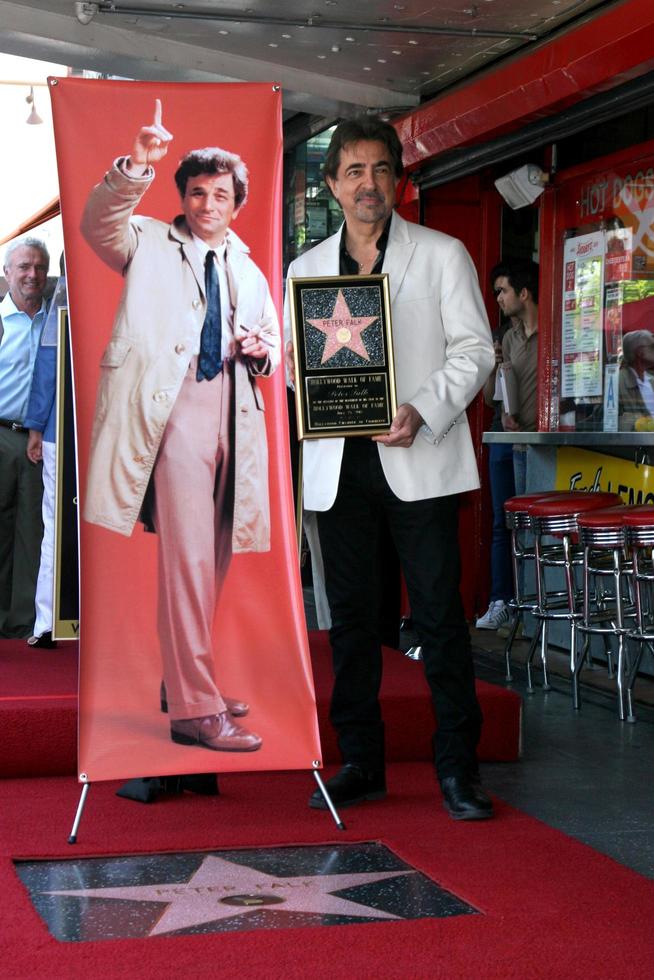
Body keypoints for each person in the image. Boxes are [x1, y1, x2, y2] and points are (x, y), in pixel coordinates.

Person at [284, 118, 495, 820]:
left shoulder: (442, 254)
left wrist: (423, 407)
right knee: (350, 624)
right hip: (338, 467)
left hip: (419, 457)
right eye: (353, 171)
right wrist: (295, 376)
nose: (367, 184)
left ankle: (459, 770)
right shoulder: (305, 271)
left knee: (438, 617)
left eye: (379, 170)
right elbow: (294, 368)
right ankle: (361, 764)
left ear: (397, 180)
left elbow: (475, 350)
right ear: (332, 184)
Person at [80, 100, 280, 753]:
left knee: (213, 559)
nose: (207, 204)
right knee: (189, 562)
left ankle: (185, 682)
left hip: (236, 413)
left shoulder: (248, 268)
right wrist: (137, 163)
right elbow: (96, 223)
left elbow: (273, 344)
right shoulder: (146, 241)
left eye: (220, 194)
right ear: (183, 196)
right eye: (196, 192)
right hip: (175, 413)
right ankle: (194, 710)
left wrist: (262, 349)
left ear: (236, 202)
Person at [0, 237, 49, 639]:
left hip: (39, 441)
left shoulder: (57, 319)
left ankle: (20, 623)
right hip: (0, 435)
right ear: (7, 273)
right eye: (23, 267)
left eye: (38, 267)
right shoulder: (0, 321)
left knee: (31, 532)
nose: (32, 275)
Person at [24, 275, 68, 649]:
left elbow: (47, 367)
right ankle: (47, 619)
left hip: (60, 428)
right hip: (79, 430)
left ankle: (47, 621)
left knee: (55, 524)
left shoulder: (65, 298)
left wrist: (37, 426)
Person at [476, 303, 516, 632]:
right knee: (502, 520)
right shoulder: (502, 337)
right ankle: (500, 599)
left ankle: (523, 602)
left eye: (503, 290)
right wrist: (494, 366)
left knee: (526, 527)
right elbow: (490, 399)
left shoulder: (536, 338)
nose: (499, 299)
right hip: (501, 437)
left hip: (532, 437)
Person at [490, 260, 539, 496]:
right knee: (522, 528)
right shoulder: (508, 338)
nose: (498, 298)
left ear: (523, 293)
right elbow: (498, 397)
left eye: (503, 291)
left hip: (551, 446)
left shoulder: (555, 333)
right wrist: (505, 416)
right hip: (520, 444)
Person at [618, 329, 654, 430]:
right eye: (653, 347)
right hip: (638, 444)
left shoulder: (651, 380)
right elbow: (612, 422)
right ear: (640, 352)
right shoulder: (617, 382)